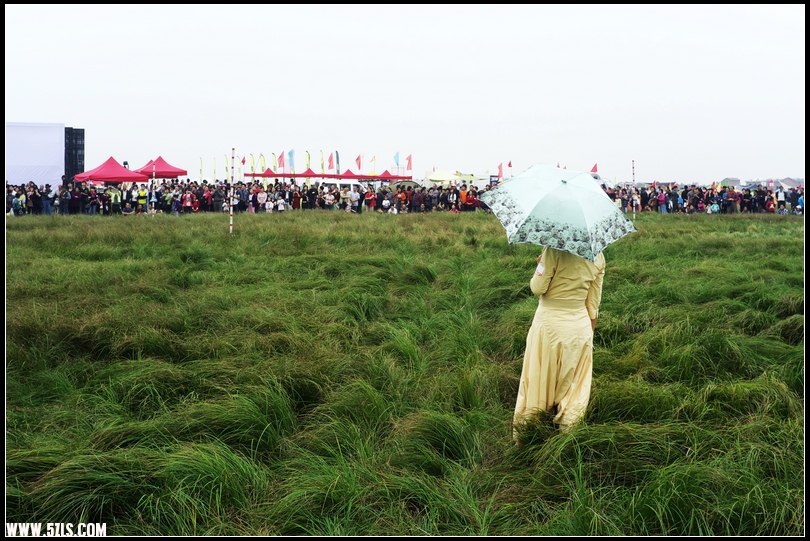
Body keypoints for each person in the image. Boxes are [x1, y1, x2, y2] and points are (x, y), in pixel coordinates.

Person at [513, 246, 606, 438]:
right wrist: (589, 336)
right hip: (579, 327)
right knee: (574, 384)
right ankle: (567, 436)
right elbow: (593, 304)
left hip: (549, 327)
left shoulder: (553, 250)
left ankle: (529, 432)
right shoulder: (598, 255)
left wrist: (541, 265)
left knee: (540, 376)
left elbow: (537, 288)